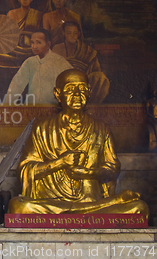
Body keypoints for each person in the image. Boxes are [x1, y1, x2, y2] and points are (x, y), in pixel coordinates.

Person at [8, 69, 149, 217]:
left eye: (81, 89)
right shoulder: (41, 129)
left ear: (89, 92)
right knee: (18, 207)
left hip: (91, 201)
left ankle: (83, 211)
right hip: (51, 202)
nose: (76, 94)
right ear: (58, 94)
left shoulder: (101, 130)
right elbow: (25, 169)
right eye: (70, 89)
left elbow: (112, 169)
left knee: (140, 208)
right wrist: (60, 162)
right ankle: (92, 209)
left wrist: (89, 173)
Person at [6, 29, 72, 105]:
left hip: (53, 109)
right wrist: (7, 106)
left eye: (38, 43)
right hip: (31, 109)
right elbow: (16, 85)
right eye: (32, 43)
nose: (34, 46)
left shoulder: (59, 61)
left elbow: (73, 80)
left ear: (48, 44)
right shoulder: (30, 62)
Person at [52, 21, 109, 103]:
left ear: (78, 34)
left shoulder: (87, 50)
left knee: (100, 77)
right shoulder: (57, 48)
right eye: (69, 33)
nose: (72, 36)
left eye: (75, 33)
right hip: (64, 84)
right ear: (63, 33)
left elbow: (96, 70)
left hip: (82, 84)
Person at [0, 0, 43, 68]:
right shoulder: (11, 13)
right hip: (14, 47)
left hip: (30, 48)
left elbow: (41, 35)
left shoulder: (37, 14)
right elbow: (7, 34)